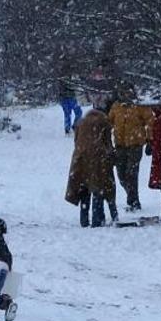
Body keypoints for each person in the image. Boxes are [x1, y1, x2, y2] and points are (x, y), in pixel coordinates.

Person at [66, 95, 119, 227]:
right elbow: (107, 143)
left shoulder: (81, 122)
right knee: (98, 188)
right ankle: (97, 219)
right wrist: (111, 157)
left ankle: (84, 219)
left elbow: (76, 141)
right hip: (98, 159)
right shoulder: (104, 122)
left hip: (80, 159)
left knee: (84, 189)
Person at [108, 87, 154, 211]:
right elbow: (108, 123)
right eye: (123, 92)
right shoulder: (116, 106)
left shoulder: (139, 106)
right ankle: (131, 195)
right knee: (121, 174)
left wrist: (150, 140)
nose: (125, 94)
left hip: (136, 145)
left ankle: (134, 201)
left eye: (127, 92)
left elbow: (150, 121)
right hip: (120, 145)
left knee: (132, 173)